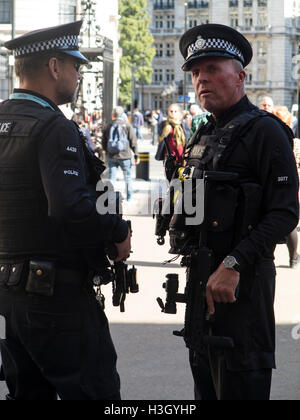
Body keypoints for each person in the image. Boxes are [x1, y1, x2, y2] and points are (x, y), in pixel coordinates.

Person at [0, 20, 131, 400]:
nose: (79, 74)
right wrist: (117, 230)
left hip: (10, 294)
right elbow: (70, 207)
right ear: (54, 67)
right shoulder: (54, 127)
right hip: (55, 298)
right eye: (76, 66)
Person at [178, 23, 299, 400]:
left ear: (240, 75)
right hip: (201, 286)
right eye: (196, 72)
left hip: (242, 290)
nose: (202, 79)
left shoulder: (267, 132)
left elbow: (285, 213)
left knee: (240, 382)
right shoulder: (202, 134)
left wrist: (233, 264)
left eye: (212, 69)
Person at [259, 100, 300, 268]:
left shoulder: (292, 142)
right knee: (280, 219)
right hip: (280, 184)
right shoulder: (285, 140)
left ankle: (290, 256)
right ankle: (289, 257)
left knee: (283, 219)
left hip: (285, 184)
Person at [102, 106, 139, 202]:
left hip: (111, 156)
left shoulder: (108, 125)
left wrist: (107, 152)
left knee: (112, 178)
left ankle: (110, 199)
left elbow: (104, 142)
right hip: (125, 156)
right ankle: (129, 198)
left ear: (113, 115)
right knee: (127, 177)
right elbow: (133, 141)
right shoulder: (127, 125)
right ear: (122, 114)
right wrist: (136, 154)